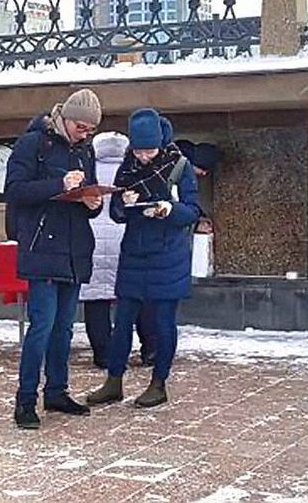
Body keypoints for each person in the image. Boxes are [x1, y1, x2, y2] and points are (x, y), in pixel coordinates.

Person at [87, 108, 200, 409]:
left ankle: (158, 383)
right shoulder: (127, 166)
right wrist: (124, 204)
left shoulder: (180, 165)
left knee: (163, 323)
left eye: (149, 150)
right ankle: (114, 381)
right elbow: (115, 214)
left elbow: (192, 212)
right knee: (122, 320)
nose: (144, 157)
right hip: (134, 254)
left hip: (168, 257)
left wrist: (168, 209)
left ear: (160, 144)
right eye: (139, 150)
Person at [5, 89, 104, 429]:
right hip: (41, 246)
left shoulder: (84, 150)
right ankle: (26, 399)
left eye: (91, 129)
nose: (85, 132)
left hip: (74, 248)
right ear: (65, 117)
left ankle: (57, 391)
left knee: (64, 328)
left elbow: (86, 192)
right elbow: (15, 191)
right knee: (42, 326)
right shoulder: (34, 143)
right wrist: (57, 184)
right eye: (81, 126)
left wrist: (94, 203)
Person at [79, 131, 129, 371]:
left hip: (92, 239)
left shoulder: (88, 168)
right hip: (124, 237)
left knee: (96, 298)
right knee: (129, 297)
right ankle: (138, 348)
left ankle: (102, 353)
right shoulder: (131, 168)